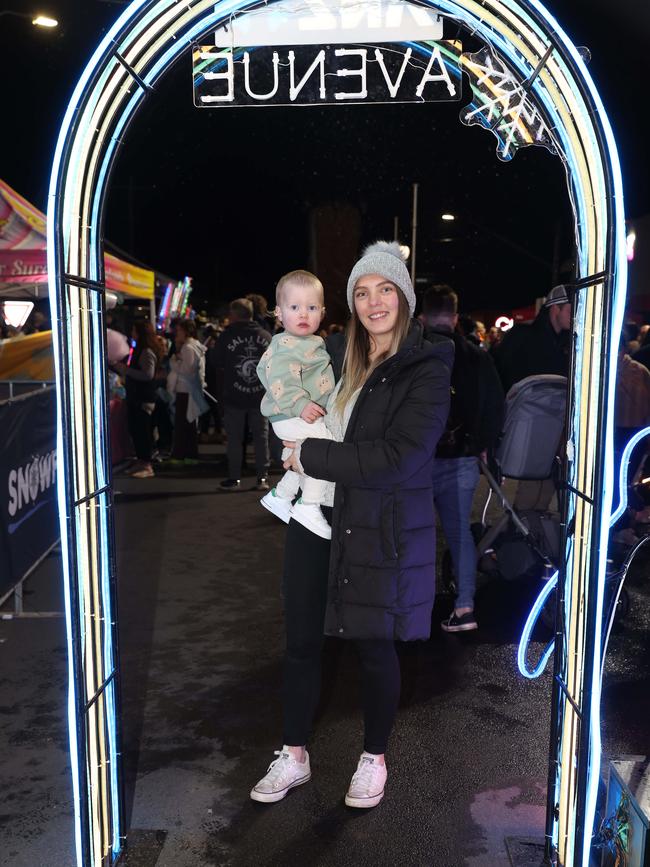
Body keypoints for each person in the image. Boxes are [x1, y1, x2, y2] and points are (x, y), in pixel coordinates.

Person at [250, 241, 453, 809]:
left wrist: (307, 458)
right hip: (313, 519)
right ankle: (294, 753)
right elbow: (281, 381)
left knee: (372, 646)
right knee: (300, 642)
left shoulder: (426, 366)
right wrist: (282, 419)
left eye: (385, 288)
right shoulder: (335, 352)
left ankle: (373, 757)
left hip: (377, 524)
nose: (373, 302)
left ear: (405, 297)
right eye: (361, 292)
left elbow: (399, 457)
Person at [422, 285, 505, 632]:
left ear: (422, 317)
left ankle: (413, 607)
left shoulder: (413, 353)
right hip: (463, 457)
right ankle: (465, 606)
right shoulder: (477, 356)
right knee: (459, 535)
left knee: (416, 534)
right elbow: (495, 407)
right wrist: (481, 443)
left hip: (418, 462)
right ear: (455, 318)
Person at [257, 270, 336, 538]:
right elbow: (280, 378)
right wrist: (301, 404)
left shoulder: (311, 342)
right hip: (292, 413)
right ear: (278, 313)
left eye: (311, 307)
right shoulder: (286, 345)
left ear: (322, 312)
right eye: (294, 307)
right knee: (323, 450)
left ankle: (282, 495)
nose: (303, 314)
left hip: (298, 415)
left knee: (305, 455)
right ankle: (308, 505)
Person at [212, 298, 272, 490]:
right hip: (260, 396)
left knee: (235, 440)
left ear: (235, 315)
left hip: (234, 396)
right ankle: (262, 478)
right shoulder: (265, 336)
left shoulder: (226, 336)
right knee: (261, 438)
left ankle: (234, 478)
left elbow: (215, 361)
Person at [491, 284, 571, 394]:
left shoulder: (569, 344)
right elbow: (500, 374)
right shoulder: (522, 335)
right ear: (555, 308)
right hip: (523, 408)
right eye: (570, 311)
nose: (575, 316)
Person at [112, 320, 163, 479]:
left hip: (143, 398)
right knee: (136, 430)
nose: (132, 333)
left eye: (134, 330)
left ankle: (147, 464)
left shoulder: (146, 352)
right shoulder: (138, 350)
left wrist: (127, 370)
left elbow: (148, 375)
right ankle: (141, 462)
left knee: (142, 432)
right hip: (136, 397)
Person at [167, 319, 208, 464]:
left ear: (185, 331)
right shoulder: (195, 346)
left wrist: (174, 362)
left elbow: (187, 370)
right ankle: (189, 455)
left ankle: (181, 455)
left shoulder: (188, 348)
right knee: (189, 424)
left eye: (178, 330)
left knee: (183, 424)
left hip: (186, 390)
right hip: (192, 389)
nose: (175, 333)